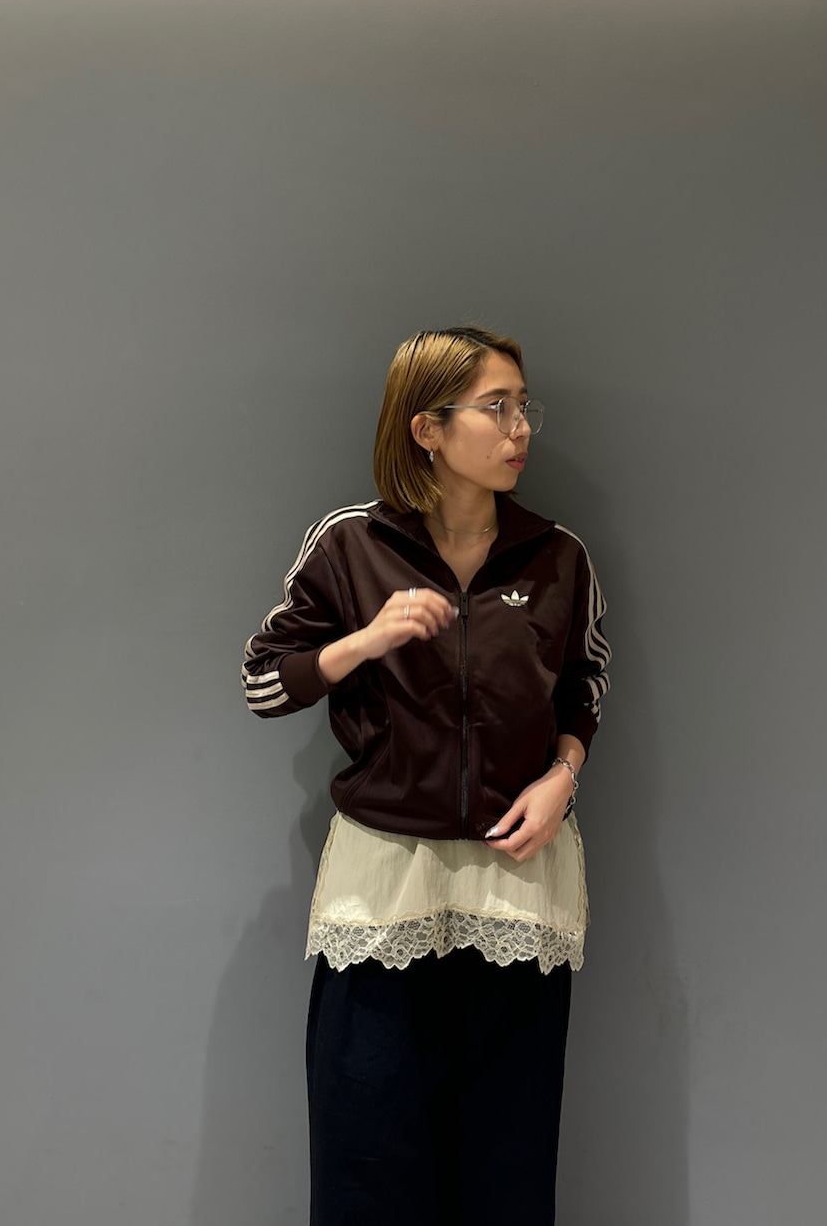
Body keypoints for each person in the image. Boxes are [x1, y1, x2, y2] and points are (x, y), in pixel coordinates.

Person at [241, 326, 610, 1226]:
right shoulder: (349, 545)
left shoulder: (559, 556)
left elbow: (585, 686)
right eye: (497, 406)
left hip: (517, 883)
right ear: (428, 429)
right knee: (367, 1155)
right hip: (384, 888)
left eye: (524, 406)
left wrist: (563, 776)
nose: (521, 428)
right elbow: (263, 682)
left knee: (506, 1163)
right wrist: (365, 640)